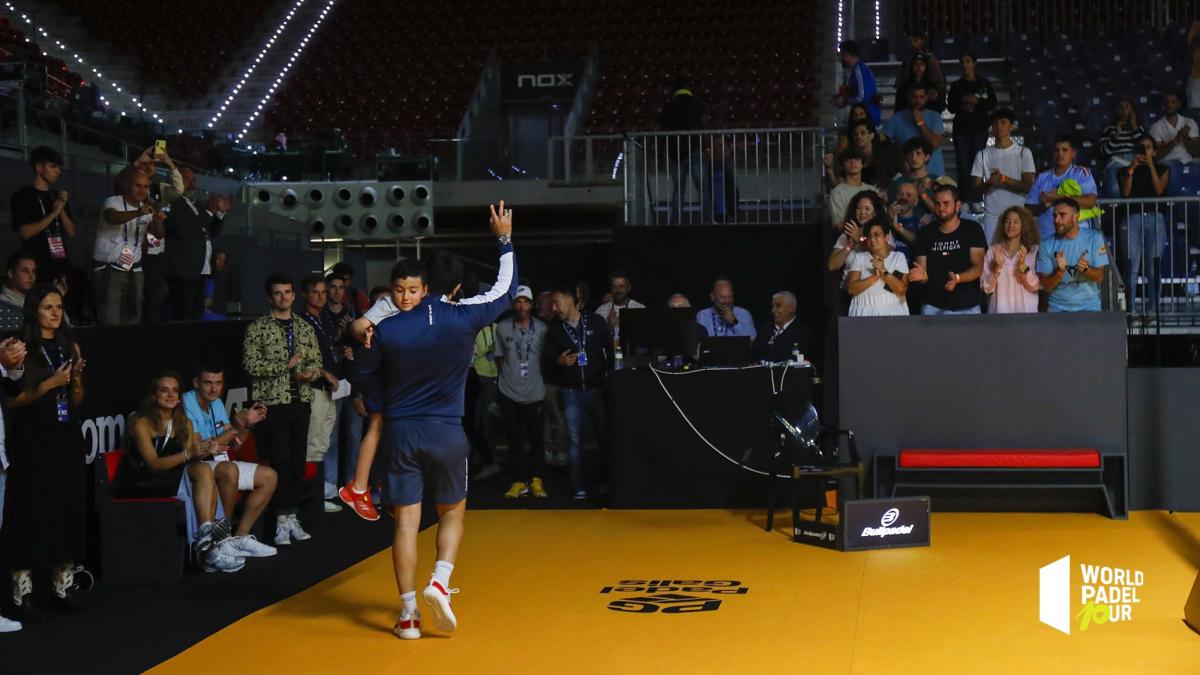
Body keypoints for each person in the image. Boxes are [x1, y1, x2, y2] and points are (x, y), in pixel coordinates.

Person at [359, 202, 517, 640]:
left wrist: (367, 350)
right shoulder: (463, 317)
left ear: (420, 286)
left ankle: (408, 615)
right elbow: (507, 292)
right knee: (452, 513)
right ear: (457, 287)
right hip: (446, 431)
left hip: (401, 432)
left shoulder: (387, 328)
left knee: (406, 521)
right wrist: (503, 239)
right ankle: (440, 581)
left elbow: (363, 375)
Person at [3, 285, 87, 620]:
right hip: (32, 438)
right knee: (30, 510)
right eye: (48, 307)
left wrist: (76, 381)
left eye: (59, 307)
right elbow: (12, 400)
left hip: (65, 436)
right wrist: (50, 384)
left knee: (64, 508)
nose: (55, 313)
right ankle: (21, 590)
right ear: (34, 311)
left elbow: (77, 400)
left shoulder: (70, 345)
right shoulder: (22, 348)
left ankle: (61, 585)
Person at [116, 373, 246, 573]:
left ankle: (206, 536)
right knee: (199, 472)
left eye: (175, 390)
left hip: (172, 475)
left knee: (203, 468)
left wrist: (204, 451)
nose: (170, 395)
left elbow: (191, 459)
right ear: (153, 395)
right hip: (144, 479)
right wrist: (188, 454)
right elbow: (153, 464)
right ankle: (210, 544)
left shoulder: (184, 422)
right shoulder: (140, 423)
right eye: (164, 390)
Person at [242, 273, 323, 546]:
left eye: (287, 292)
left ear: (293, 295)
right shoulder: (257, 328)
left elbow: (315, 360)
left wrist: (307, 373)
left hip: (300, 400)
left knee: (298, 463)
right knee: (280, 463)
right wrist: (284, 367)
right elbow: (251, 365)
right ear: (270, 297)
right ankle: (280, 521)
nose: (283, 297)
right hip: (272, 405)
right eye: (277, 293)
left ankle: (292, 518)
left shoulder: (303, 327)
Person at [182, 363, 277, 558]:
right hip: (198, 467)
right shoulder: (187, 402)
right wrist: (234, 427)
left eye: (218, 383)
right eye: (208, 383)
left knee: (269, 476)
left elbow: (234, 446)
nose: (214, 388)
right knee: (229, 469)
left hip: (219, 462)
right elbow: (199, 449)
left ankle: (240, 536)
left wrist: (246, 426)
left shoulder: (216, 403)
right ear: (196, 382)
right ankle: (222, 539)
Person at [543, 284, 612, 500]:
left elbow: (609, 351)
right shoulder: (554, 328)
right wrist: (558, 360)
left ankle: (605, 482)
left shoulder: (595, 321)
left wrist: (607, 378)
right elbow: (546, 360)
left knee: (603, 437)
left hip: (595, 389)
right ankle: (578, 485)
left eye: (557, 302)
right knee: (574, 441)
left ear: (570, 300)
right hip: (570, 391)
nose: (554, 308)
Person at [495, 286, 549, 498]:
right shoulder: (502, 327)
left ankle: (537, 480)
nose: (522, 306)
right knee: (514, 439)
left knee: (536, 439)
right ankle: (518, 481)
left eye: (526, 301)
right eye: (518, 301)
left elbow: (546, 360)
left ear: (532, 304)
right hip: (509, 391)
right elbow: (499, 358)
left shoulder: (543, 329)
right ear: (512, 304)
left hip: (535, 391)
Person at [94, 167, 163, 325]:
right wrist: (138, 213)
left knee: (133, 315)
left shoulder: (148, 208)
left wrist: (158, 223)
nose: (142, 190)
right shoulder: (113, 201)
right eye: (137, 185)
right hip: (109, 267)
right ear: (128, 186)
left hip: (135, 268)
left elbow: (158, 235)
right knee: (110, 316)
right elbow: (111, 217)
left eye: (145, 187)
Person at [298, 275, 344, 513]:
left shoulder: (324, 317)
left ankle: (317, 496)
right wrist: (324, 372)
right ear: (305, 294)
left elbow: (329, 347)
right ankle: (307, 501)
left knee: (322, 445)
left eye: (323, 293)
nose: (321, 297)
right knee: (311, 445)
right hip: (312, 389)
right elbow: (301, 361)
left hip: (330, 390)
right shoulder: (300, 321)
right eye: (315, 292)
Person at [908, 184, 987, 315]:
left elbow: (978, 268)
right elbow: (922, 271)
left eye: (946, 203)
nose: (941, 208)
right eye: (937, 204)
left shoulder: (973, 229)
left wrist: (958, 278)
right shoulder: (925, 233)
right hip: (933, 306)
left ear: (957, 205)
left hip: (967, 307)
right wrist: (922, 276)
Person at [165, 168, 230, 321]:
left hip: (201, 268)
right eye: (186, 180)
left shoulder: (199, 204)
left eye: (193, 180)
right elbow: (183, 229)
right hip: (183, 269)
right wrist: (208, 212)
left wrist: (219, 213)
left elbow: (212, 231)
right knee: (182, 313)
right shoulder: (171, 203)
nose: (191, 184)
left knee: (197, 313)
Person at [1119, 135, 1171, 315]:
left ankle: (1153, 309)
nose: (1145, 150)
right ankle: (1130, 310)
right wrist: (1133, 167)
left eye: (1149, 147)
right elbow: (1125, 192)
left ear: (1155, 152)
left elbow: (1158, 190)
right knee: (1132, 266)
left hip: (1155, 218)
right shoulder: (1126, 170)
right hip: (1132, 217)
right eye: (1141, 147)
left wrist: (1150, 166)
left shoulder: (1163, 169)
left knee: (1152, 267)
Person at [10, 146, 75, 288]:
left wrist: (61, 209)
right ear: (39, 168)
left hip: (60, 263)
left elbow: (71, 232)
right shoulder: (23, 195)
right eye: (53, 166)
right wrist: (53, 214)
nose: (58, 171)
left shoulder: (58, 196)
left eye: (59, 167)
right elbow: (26, 233)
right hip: (35, 265)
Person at [970, 107, 1036, 242]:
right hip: (992, 216)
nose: (998, 126)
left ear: (1011, 126)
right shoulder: (982, 155)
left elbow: (1028, 186)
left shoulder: (1024, 153)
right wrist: (988, 183)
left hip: (1018, 214)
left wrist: (1003, 179)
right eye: (995, 123)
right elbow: (974, 190)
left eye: (1003, 122)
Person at [1037, 198, 1110, 312]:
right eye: (1055, 216)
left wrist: (1085, 269)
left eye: (1062, 215)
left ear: (1076, 217)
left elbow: (1099, 277)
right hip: (1057, 308)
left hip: (1089, 306)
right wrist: (1059, 272)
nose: (1056, 220)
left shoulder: (1094, 238)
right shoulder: (1046, 244)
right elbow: (1046, 285)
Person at [1026, 135, 1100, 239]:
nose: (1060, 153)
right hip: (1047, 237)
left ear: (1073, 153)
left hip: (1076, 239)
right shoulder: (1042, 177)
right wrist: (1045, 204)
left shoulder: (1081, 173)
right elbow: (1029, 208)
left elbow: (1091, 201)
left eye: (1065, 150)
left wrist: (1059, 198)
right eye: (1056, 150)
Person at [660, 75, 707, 224]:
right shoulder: (696, 102)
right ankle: (707, 220)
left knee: (678, 189)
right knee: (702, 187)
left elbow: (663, 127)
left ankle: (675, 221)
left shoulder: (669, 104)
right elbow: (702, 124)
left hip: (675, 153)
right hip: (694, 149)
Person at [947, 52, 997, 191]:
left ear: (974, 63)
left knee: (978, 166)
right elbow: (950, 108)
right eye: (962, 62)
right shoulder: (956, 85)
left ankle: (976, 198)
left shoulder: (984, 83)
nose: (965, 65)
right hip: (961, 131)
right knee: (963, 166)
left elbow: (992, 103)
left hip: (979, 129)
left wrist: (978, 101)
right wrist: (963, 101)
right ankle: (964, 199)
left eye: (968, 61)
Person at [981, 206, 1041, 314]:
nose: (1010, 226)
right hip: (1000, 316)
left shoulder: (1033, 251)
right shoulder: (993, 251)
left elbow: (1034, 286)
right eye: (1007, 221)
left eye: (1016, 222)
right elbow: (986, 288)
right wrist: (996, 269)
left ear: (1024, 225)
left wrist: (1022, 265)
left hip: (1026, 314)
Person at [846, 221, 910, 316]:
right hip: (863, 313)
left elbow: (901, 290)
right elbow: (851, 289)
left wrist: (884, 271)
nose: (872, 239)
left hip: (894, 313)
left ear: (886, 237)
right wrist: (875, 277)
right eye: (869, 236)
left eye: (876, 234)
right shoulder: (859, 257)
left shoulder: (898, 258)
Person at [882, 85, 946, 177]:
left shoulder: (935, 116)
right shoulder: (897, 118)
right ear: (909, 98)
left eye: (921, 97)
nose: (918, 101)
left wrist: (920, 122)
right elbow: (881, 141)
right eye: (914, 97)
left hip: (934, 174)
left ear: (927, 98)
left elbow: (934, 144)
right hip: (908, 176)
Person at [1148, 92, 1200, 196]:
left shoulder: (1190, 122)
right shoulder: (1156, 127)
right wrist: (1175, 140)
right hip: (1168, 164)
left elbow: (1196, 151)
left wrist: (1185, 137)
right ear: (1163, 105)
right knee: (1171, 167)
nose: (1170, 105)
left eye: (1173, 102)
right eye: (1167, 102)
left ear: (1179, 104)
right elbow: (1157, 155)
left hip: (1188, 161)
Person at [828, 190, 888, 275]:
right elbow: (832, 265)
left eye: (867, 209)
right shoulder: (849, 233)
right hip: (849, 285)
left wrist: (859, 239)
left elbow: (886, 256)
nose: (862, 212)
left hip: (875, 283)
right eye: (859, 208)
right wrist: (849, 246)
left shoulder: (882, 232)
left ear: (875, 213)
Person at [1100, 98, 1146, 198]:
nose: (1123, 111)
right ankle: (1116, 211)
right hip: (1115, 162)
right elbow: (1104, 152)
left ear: (1132, 110)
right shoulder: (1109, 129)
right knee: (1114, 190)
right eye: (1120, 108)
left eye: (1127, 107)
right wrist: (1117, 134)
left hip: (1134, 162)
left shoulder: (1139, 128)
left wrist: (1134, 127)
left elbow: (1144, 150)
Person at [888, 138, 940, 216]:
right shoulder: (896, 183)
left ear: (927, 157)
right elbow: (893, 212)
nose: (914, 158)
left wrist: (923, 196)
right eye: (910, 154)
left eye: (918, 153)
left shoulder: (938, 181)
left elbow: (942, 212)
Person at [829, 146, 878, 229]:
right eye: (848, 160)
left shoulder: (872, 189)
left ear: (863, 164)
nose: (853, 162)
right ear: (843, 165)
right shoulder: (837, 192)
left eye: (857, 159)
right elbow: (839, 225)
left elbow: (880, 218)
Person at [752, 291, 810, 361]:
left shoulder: (801, 331)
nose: (773, 310)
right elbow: (755, 351)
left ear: (791, 307)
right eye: (772, 306)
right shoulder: (766, 328)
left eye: (778, 306)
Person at [833, 40, 880, 125]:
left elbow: (862, 97)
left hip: (867, 119)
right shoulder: (856, 70)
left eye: (841, 55)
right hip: (864, 118)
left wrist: (844, 101)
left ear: (846, 55)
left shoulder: (859, 70)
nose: (840, 59)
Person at [593, 269, 646, 343]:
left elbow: (645, 338)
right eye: (614, 287)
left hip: (631, 353)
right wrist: (609, 327)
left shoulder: (640, 308)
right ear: (610, 288)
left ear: (628, 287)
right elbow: (594, 340)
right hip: (609, 354)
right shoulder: (601, 311)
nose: (618, 290)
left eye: (621, 286)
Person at [896, 30, 945, 108]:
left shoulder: (930, 61)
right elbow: (899, 84)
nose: (912, 44)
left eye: (915, 41)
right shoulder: (906, 62)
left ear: (922, 41)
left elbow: (939, 85)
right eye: (909, 41)